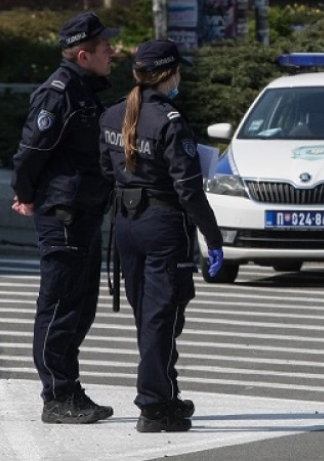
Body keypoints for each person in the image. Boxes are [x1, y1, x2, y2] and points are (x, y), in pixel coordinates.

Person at [98, 39, 224, 433]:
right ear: (169, 74)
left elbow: (106, 171)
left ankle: (165, 394)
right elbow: (188, 188)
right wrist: (213, 238)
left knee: (148, 317)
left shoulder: (112, 115)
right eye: (179, 72)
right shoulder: (170, 121)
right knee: (163, 317)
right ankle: (154, 406)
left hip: (126, 225)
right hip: (163, 226)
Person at [10, 11, 118, 424]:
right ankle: (56, 398)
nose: (114, 52)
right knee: (59, 307)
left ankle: (70, 389)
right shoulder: (59, 93)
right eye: (106, 47)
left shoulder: (83, 90)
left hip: (85, 212)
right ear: (83, 55)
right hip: (65, 214)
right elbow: (31, 152)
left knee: (80, 307)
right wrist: (25, 194)